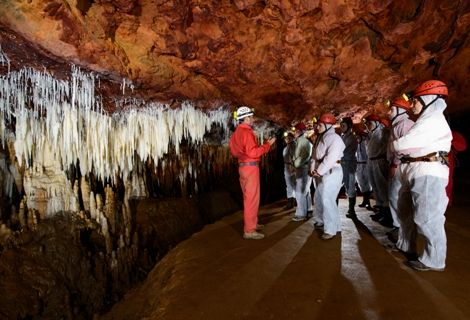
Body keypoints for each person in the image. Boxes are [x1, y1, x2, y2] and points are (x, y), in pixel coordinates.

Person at [392, 80, 452, 271]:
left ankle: (434, 260)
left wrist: (398, 145)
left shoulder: (433, 120)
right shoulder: (426, 119)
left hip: (428, 172)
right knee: (406, 212)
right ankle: (406, 245)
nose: (412, 105)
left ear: (428, 99)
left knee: (427, 217)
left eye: (416, 101)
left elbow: (404, 145)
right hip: (417, 170)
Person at [229, 106, 276, 240]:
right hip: (251, 168)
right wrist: (268, 145)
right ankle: (249, 230)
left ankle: (253, 223)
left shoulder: (236, 133)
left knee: (248, 197)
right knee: (252, 199)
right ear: (246, 118)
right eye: (251, 117)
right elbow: (253, 152)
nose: (253, 119)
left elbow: (233, 151)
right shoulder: (247, 132)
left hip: (242, 167)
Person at [310, 113, 345, 240]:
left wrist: (319, 171)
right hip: (321, 171)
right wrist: (313, 169)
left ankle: (331, 229)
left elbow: (331, 159)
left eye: (319, 125)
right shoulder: (320, 138)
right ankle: (322, 221)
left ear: (327, 125)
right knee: (319, 197)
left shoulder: (335, 139)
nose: (317, 127)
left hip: (332, 171)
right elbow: (314, 156)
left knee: (327, 199)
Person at [387, 96, 414, 240]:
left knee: (396, 196)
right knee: (394, 196)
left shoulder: (405, 124)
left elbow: (404, 148)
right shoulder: (398, 124)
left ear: (399, 110)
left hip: (401, 164)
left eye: (391, 109)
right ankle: (398, 227)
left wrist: (394, 163)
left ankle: (400, 228)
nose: (388, 112)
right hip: (398, 164)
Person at [364, 114, 392, 227]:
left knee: (382, 187)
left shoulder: (383, 132)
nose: (367, 126)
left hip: (380, 160)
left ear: (376, 123)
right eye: (367, 124)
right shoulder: (371, 134)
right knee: (375, 187)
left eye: (369, 123)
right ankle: (380, 210)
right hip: (371, 161)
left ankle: (388, 215)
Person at [291, 122, 313, 221]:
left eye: (295, 131)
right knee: (305, 191)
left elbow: (303, 156)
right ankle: (308, 210)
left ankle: (301, 214)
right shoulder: (301, 141)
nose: (294, 132)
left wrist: (295, 164)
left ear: (300, 131)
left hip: (303, 168)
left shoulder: (303, 141)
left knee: (300, 192)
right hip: (303, 168)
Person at [339, 117, 358, 219]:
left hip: (349, 164)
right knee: (337, 185)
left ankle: (352, 210)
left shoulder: (352, 138)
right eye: (341, 125)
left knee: (350, 186)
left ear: (349, 127)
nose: (341, 127)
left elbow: (344, 152)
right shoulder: (342, 137)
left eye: (343, 126)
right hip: (342, 164)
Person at [446, 130, 467, 206]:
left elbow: (463, 146)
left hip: (446, 157)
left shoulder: (452, 134)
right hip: (433, 160)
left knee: (447, 180)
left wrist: (451, 141)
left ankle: (446, 202)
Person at [355, 126, 373, 210]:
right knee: (361, 183)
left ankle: (367, 202)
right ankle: (365, 201)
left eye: (358, 135)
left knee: (368, 183)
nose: (357, 136)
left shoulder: (365, 142)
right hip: (358, 165)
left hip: (366, 164)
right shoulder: (356, 143)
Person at [282, 130, 296, 210]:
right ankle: (290, 202)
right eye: (286, 138)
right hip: (286, 167)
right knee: (289, 185)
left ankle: (294, 201)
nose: (287, 139)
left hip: (292, 166)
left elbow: (295, 157)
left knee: (294, 185)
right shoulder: (286, 147)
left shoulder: (294, 146)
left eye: (289, 138)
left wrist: (294, 168)